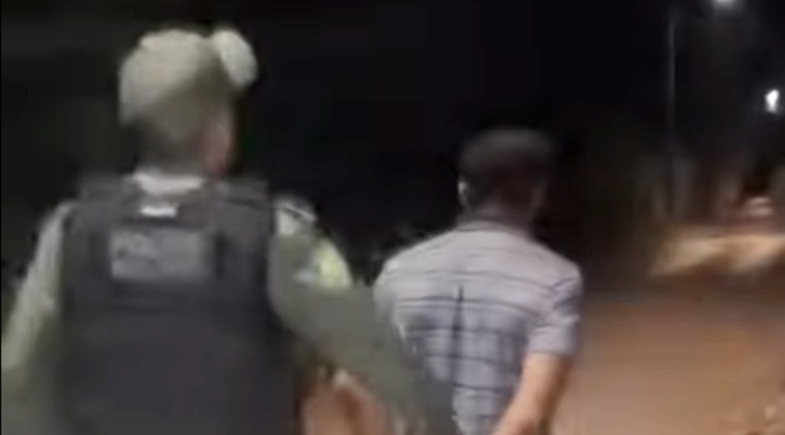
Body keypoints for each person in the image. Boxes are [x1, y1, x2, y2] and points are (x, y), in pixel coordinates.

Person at [1, 27, 444, 435]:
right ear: (219, 128)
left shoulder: (70, 231)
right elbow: (378, 356)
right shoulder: (274, 235)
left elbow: (19, 375)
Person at [374, 128, 584, 435]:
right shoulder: (555, 279)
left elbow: (351, 385)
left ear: (463, 192)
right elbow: (527, 417)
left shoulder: (398, 270)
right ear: (538, 194)